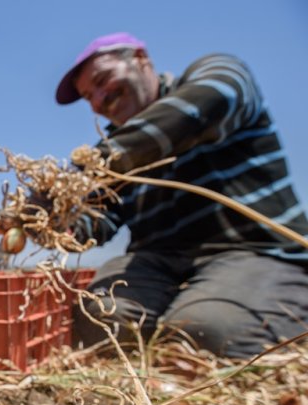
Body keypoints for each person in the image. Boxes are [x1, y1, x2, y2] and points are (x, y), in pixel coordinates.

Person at [54, 32, 308, 358]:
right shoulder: (114, 154)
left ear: (141, 58)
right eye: (90, 96)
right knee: (100, 319)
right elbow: (100, 217)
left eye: (103, 80)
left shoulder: (215, 77)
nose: (100, 100)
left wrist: (80, 171)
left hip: (252, 253)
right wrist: (61, 222)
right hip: (159, 264)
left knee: (203, 332)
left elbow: (198, 109)